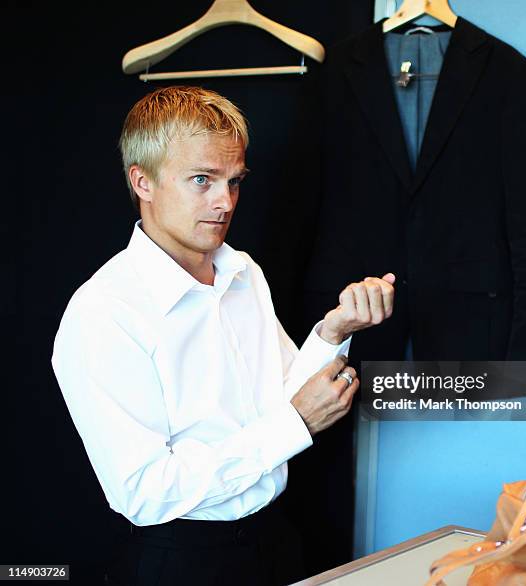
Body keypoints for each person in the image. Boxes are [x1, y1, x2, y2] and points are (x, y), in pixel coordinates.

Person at [51, 85, 395, 586]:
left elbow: (278, 398)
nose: (225, 202)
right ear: (142, 182)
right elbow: (144, 492)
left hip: (275, 540)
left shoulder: (244, 273)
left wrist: (332, 331)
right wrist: (294, 424)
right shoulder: (104, 311)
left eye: (234, 182)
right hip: (182, 562)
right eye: (202, 180)